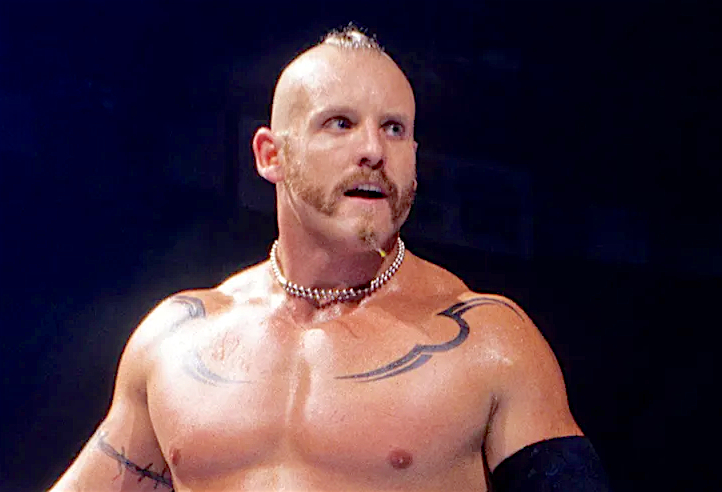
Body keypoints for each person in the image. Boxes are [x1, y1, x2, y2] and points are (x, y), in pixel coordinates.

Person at [49, 26, 611, 492]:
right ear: (271, 155)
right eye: (340, 123)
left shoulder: (489, 342)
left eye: (394, 129)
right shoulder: (175, 341)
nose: (373, 150)